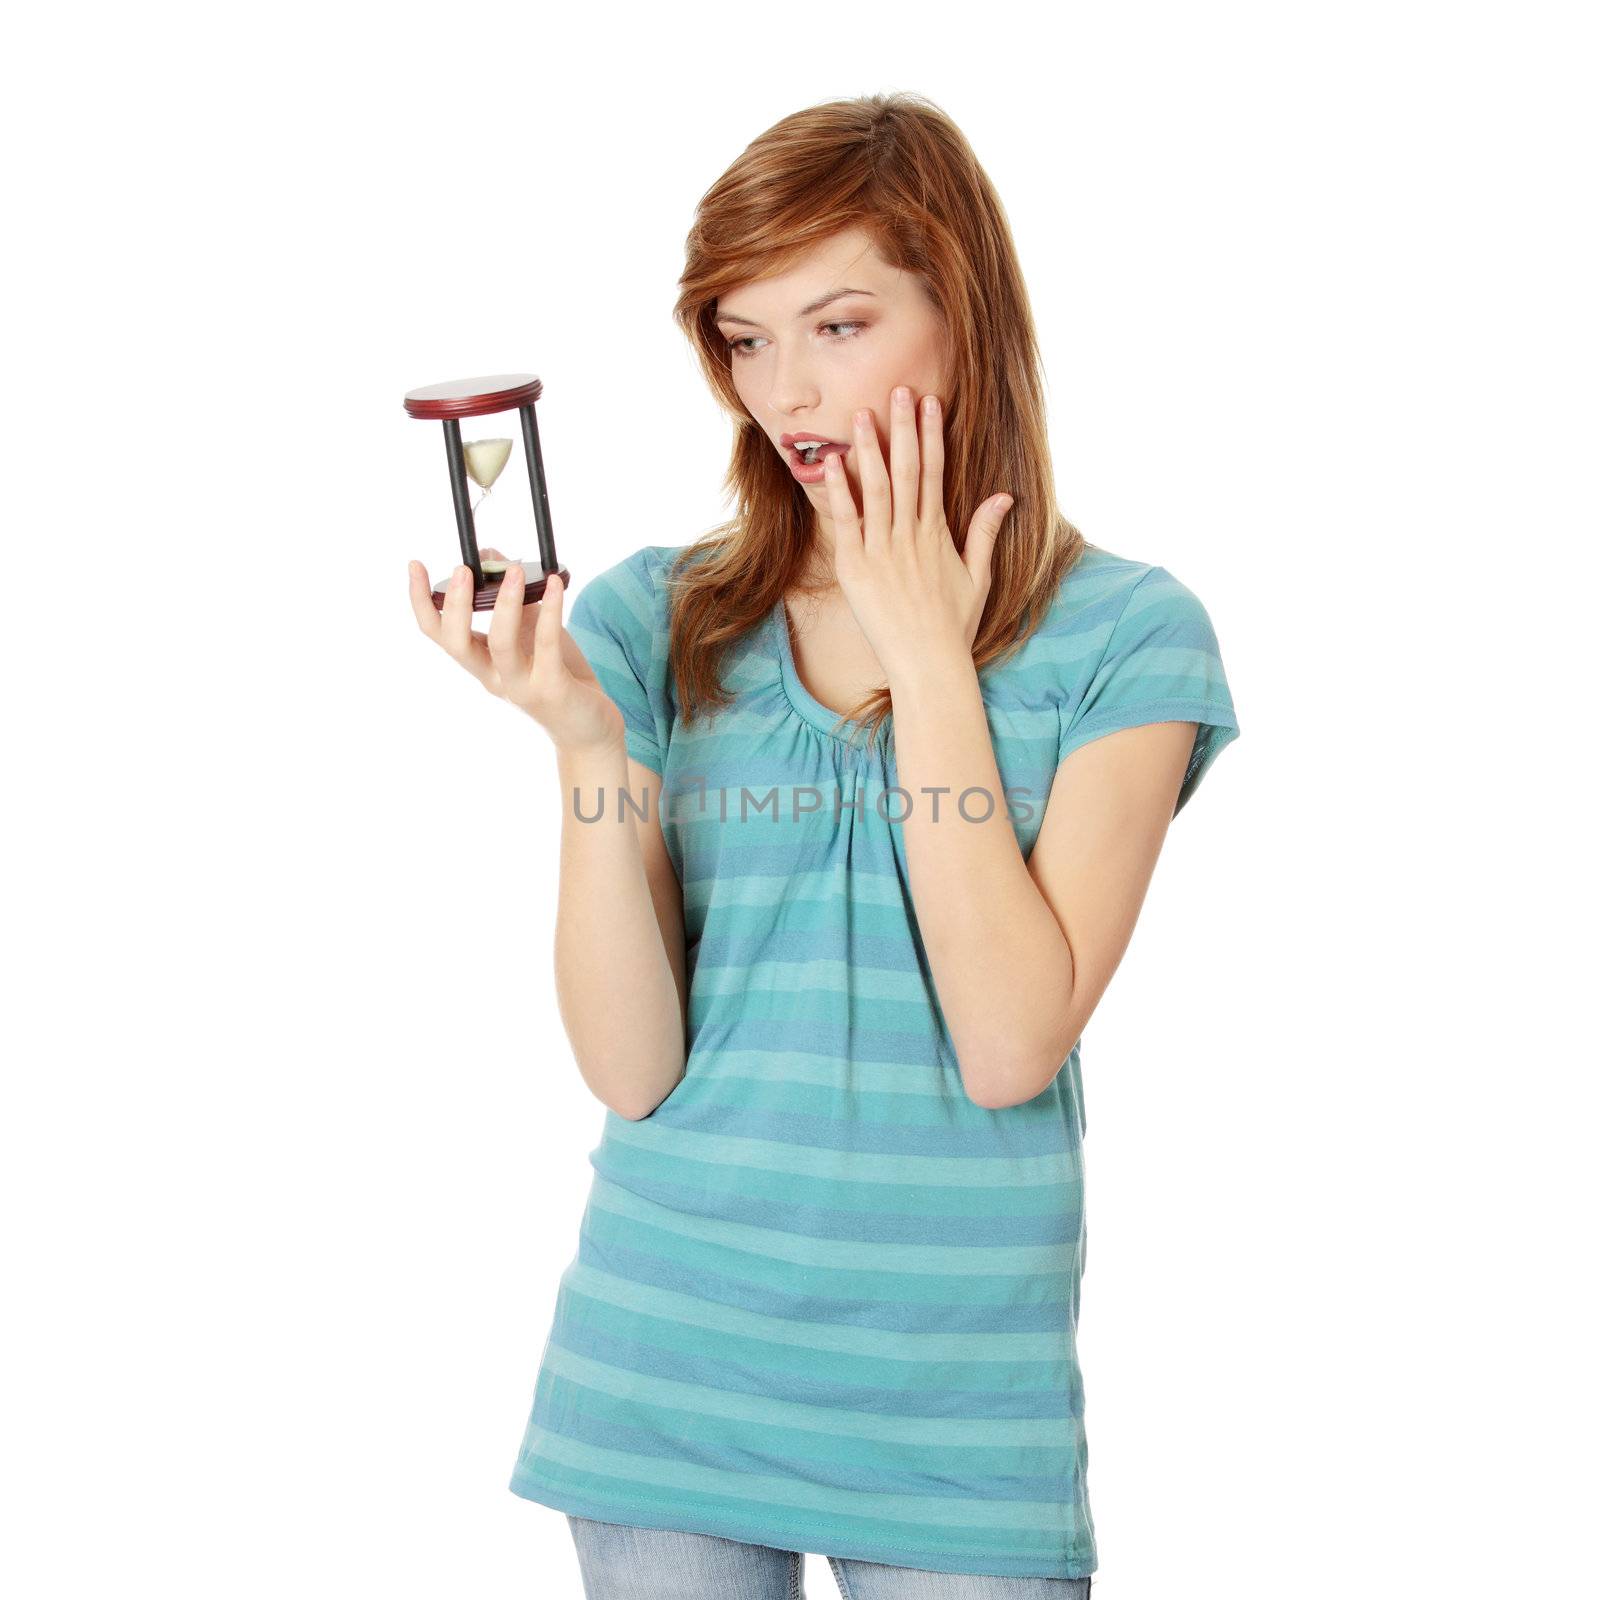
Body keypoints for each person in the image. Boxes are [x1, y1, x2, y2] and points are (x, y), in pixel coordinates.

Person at [408, 91, 1239, 1600]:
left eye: (841, 323)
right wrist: (589, 748)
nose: (785, 389)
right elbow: (632, 1070)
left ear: (961, 313)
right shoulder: (655, 620)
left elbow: (1007, 1044)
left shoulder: (1128, 639)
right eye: (746, 336)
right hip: (668, 1374)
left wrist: (931, 661)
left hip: (956, 1424)